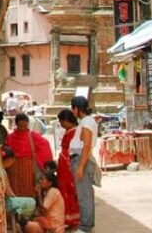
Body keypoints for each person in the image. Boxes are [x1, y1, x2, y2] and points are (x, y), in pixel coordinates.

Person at [4, 113, 54, 198]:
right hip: (14, 168)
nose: (23, 127)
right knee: (15, 187)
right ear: (16, 125)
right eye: (21, 125)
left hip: (29, 168)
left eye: (25, 125)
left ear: (28, 124)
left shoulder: (33, 136)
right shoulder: (10, 137)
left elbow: (44, 145)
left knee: (30, 188)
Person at [70, 96, 98, 233]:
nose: (72, 111)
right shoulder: (86, 121)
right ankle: (86, 225)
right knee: (85, 194)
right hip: (80, 158)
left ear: (77, 109)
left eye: (73, 108)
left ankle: (85, 227)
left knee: (84, 195)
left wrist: (81, 167)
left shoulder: (86, 122)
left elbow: (86, 145)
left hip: (81, 159)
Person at [55, 110, 81, 230]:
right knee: (66, 190)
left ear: (66, 121)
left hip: (68, 164)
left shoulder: (74, 132)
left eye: (62, 122)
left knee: (70, 190)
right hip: (65, 164)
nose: (61, 125)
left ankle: (72, 218)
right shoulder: (72, 131)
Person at [24, 167, 66, 233]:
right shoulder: (48, 192)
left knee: (29, 226)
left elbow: (43, 209)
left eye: (42, 180)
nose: (40, 182)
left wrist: (39, 193)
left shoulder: (53, 191)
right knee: (29, 224)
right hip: (49, 223)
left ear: (50, 183)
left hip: (54, 225)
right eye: (40, 179)